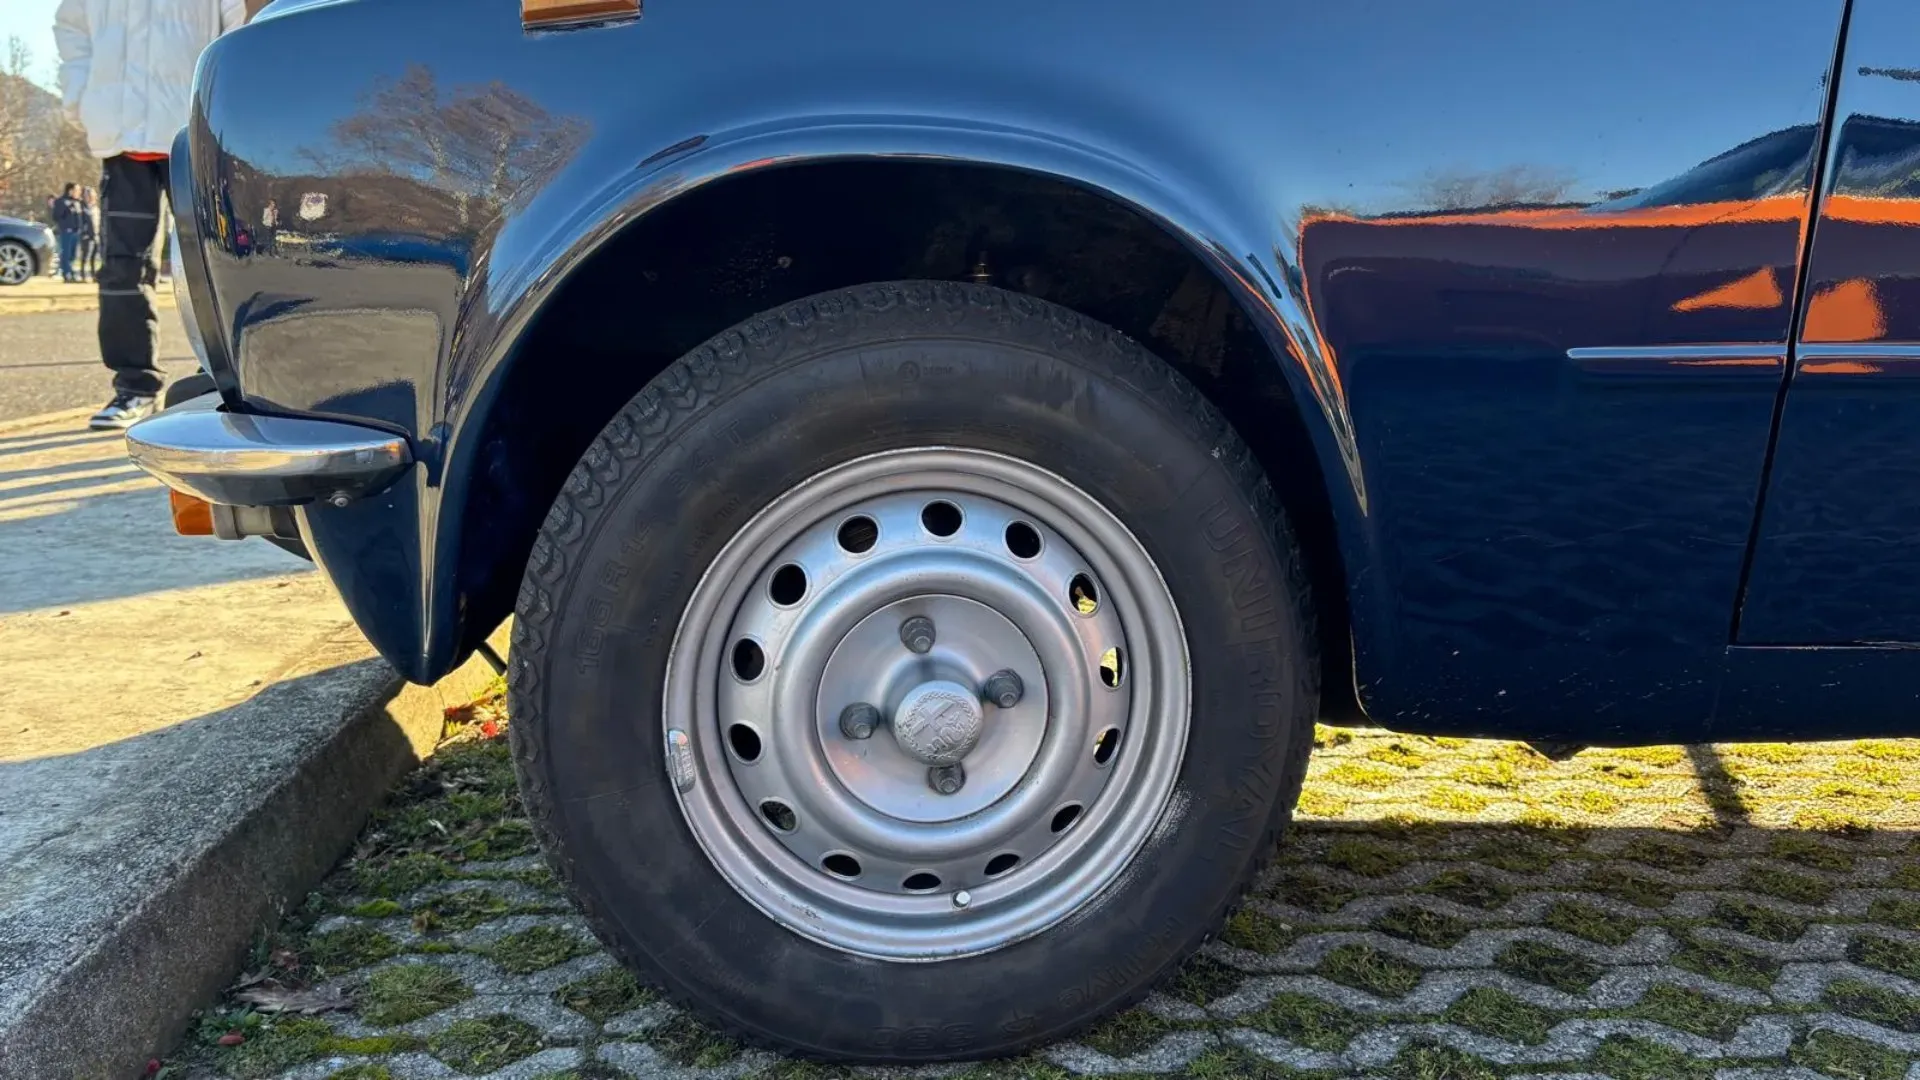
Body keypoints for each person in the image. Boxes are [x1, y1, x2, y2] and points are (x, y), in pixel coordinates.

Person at [55, 0, 247, 430]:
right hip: (122, 141)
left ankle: (221, 380)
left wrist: (229, 103)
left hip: (196, 131)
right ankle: (134, 386)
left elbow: (238, 29)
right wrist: (81, 99)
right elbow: (70, 27)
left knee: (218, 263)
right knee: (122, 269)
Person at [51, 183, 84, 282]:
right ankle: (67, 274)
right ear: (70, 190)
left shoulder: (78, 202)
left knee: (73, 255)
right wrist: (66, 208)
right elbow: (56, 216)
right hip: (66, 231)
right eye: (77, 190)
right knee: (66, 253)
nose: (79, 193)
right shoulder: (61, 201)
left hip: (76, 232)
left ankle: (71, 272)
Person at [77, 187, 101, 282]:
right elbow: (81, 222)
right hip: (87, 236)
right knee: (86, 256)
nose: (90, 197)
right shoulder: (82, 209)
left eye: (91, 196)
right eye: (88, 195)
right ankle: (82, 275)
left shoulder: (96, 208)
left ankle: (93, 275)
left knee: (94, 257)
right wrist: (84, 233)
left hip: (96, 235)